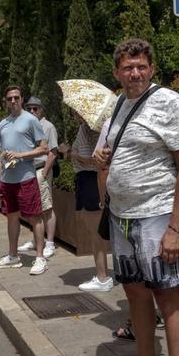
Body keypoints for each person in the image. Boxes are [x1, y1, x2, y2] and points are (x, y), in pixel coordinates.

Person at [93, 38, 179, 356]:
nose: (134, 72)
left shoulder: (169, 102)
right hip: (122, 217)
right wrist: (102, 158)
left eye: (140, 66)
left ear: (151, 69)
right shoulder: (120, 104)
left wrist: (176, 228)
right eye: (127, 67)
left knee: (170, 298)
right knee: (135, 293)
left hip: (157, 215)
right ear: (117, 72)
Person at [0, 86, 49, 275]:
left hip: (26, 178)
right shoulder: (2, 124)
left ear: (22, 99)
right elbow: (0, 154)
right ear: (5, 102)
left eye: (16, 97)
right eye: (9, 98)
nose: (13, 101)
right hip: (8, 179)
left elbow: (44, 148)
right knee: (11, 217)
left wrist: (21, 155)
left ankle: (40, 258)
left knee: (35, 216)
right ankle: (13, 255)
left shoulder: (31, 120)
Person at [67, 115, 112, 292]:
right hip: (89, 180)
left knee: (96, 232)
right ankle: (102, 275)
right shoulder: (91, 128)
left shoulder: (90, 129)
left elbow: (90, 158)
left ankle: (102, 277)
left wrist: (72, 153)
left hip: (90, 180)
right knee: (95, 232)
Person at [17, 96, 59, 258]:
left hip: (41, 170)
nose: (32, 111)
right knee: (33, 208)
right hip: (28, 171)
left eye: (36, 108)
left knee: (46, 207)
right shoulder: (27, 125)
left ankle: (50, 243)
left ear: (42, 110)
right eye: (30, 109)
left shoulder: (48, 127)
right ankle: (36, 239)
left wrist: (44, 172)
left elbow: (53, 152)